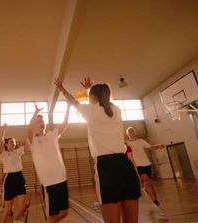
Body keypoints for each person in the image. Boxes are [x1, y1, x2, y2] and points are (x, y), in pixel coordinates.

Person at [55, 77, 140, 223]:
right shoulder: (117, 110)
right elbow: (102, 102)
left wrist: (62, 89)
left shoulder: (90, 111)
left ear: (92, 97)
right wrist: (91, 89)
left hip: (106, 169)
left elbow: (72, 100)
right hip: (126, 167)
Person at [27, 103, 70, 223]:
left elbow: (65, 124)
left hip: (62, 179)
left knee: (64, 212)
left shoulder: (52, 135)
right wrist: (35, 113)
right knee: (52, 215)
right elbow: (29, 129)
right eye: (38, 122)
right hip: (49, 183)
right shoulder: (32, 141)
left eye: (42, 121)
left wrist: (68, 107)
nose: (41, 123)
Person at [126, 127, 164, 206]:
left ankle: (155, 200)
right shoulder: (127, 143)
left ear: (135, 132)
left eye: (132, 131)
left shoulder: (141, 141)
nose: (131, 132)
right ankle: (151, 196)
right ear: (127, 134)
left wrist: (159, 145)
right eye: (129, 131)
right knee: (145, 180)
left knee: (149, 182)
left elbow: (150, 147)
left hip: (146, 164)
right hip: (137, 165)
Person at [0, 124, 27, 223]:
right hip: (10, 180)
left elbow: (28, 143)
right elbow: (0, 142)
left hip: (19, 177)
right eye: (11, 142)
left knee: (22, 206)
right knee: (7, 208)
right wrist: (3, 130)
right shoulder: (3, 154)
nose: (13, 143)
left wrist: (31, 131)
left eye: (14, 142)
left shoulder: (18, 152)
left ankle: (15, 220)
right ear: (6, 144)